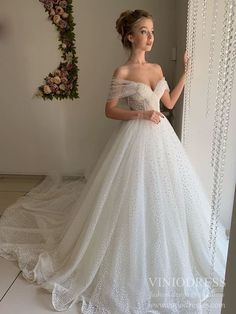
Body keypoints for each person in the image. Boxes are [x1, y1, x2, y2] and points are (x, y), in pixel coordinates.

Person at [0, 9, 228, 314]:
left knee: (164, 197)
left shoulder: (158, 68)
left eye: (152, 31)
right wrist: (141, 114)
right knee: (127, 197)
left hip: (162, 141)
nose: (150, 37)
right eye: (144, 31)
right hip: (134, 137)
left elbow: (169, 102)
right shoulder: (121, 72)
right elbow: (110, 110)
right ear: (130, 35)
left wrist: (186, 72)